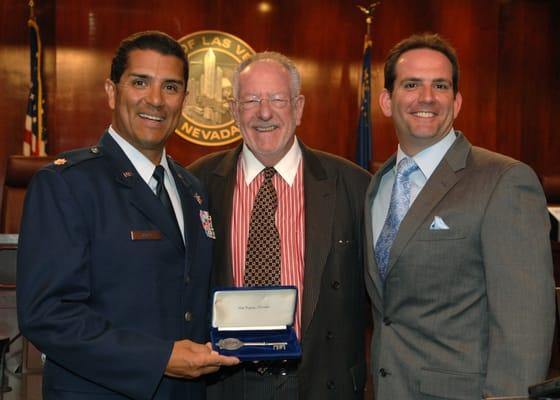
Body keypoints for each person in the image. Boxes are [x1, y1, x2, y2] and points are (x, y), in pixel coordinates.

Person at [16, 30, 239, 400]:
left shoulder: (192, 189)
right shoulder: (67, 183)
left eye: (170, 87)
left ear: (184, 99)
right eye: (140, 82)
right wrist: (159, 357)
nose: (155, 100)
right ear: (111, 91)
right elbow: (47, 314)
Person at [365, 32, 555, 399]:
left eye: (440, 85)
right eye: (411, 84)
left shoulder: (504, 180)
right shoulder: (377, 185)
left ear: (457, 101)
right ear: (387, 101)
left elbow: (525, 322)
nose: (427, 97)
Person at [188, 51, 371, 400]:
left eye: (277, 99)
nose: (265, 112)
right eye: (252, 100)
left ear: (298, 107)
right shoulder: (197, 183)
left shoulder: (354, 185)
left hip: (321, 383)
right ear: (233, 111)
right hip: (224, 384)